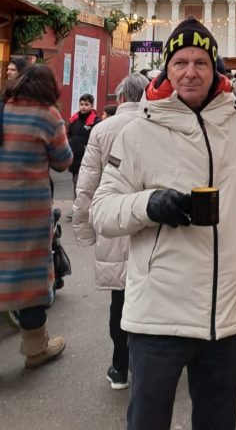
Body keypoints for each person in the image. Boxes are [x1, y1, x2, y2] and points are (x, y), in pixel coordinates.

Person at [90, 17, 236, 430]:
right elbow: (102, 211)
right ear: (167, 68)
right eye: (180, 62)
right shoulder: (138, 131)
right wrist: (149, 204)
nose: (190, 72)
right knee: (147, 421)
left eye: (201, 62)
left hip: (223, 315)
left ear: (215, 68)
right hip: (158, 313)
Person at [73, 73, 149, 389]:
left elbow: (87, 183)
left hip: (113, 222)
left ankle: (120, 366)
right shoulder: (157, 125)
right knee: (152, 296)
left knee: (120, 298)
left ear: (120, 98)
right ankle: (152, 367)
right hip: (151, 221)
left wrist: (83, 227)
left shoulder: (103, 130)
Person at [0, 65, 73, 368]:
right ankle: (36, 349)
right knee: (29, 281)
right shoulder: (47, 116)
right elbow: (63, 161)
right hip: (27, 215)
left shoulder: (3, 109)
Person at [68, 92, 100, 196]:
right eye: (81, 104)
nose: (83, 107)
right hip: (75, 159)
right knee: (76, 184)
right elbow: (69, 136)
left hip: (89, 159)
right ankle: (76, 204)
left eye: (86, 104)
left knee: (87, 188)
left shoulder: (96, 122)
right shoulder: (73, 120)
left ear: (92, 105)